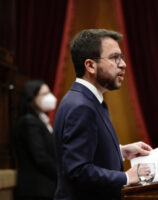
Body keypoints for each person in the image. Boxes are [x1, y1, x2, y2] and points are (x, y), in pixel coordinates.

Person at [53, 29, 152, 200]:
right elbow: (78, 170)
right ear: (90, 66)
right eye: (115, 58)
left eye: (122, 57)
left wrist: (120, 151)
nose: (123, 64)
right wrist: (127, 177)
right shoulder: (81, 106)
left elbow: (86, 150)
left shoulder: (88, 100)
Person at [13, 80, 57, 200]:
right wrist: (61, 175)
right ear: (32, 98)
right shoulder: (29, 122)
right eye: (45, 94)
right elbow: (41, 158)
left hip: (45, 189)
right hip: (35, 190)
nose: (50, 97)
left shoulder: (40, 121)